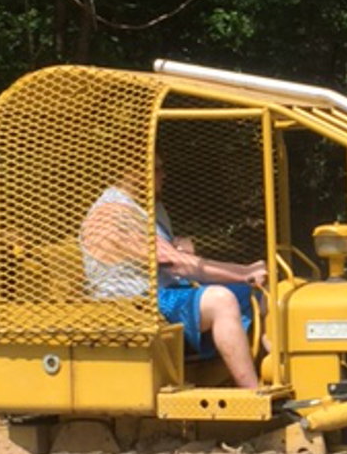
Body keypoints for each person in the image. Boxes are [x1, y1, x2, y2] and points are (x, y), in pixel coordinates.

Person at [80, 157, 266, 388]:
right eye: (157, 168)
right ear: (131, 170)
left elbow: (165, 252)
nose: (164, 175)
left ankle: (273, 372)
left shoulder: (147, 206)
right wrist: (244, 272)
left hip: (165, 292)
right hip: (136, 304)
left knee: (257, 293)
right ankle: (253, 393)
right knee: (221, 300)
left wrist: (177, 246)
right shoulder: (111, 214)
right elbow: (176, 264)